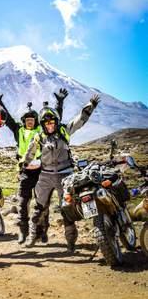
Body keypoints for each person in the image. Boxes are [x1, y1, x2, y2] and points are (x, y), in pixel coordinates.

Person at [0, 88, 68, 244]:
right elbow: (9, 118)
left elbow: (55, 120)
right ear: (24, 121)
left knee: (42, 204)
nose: (30, 121)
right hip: (26, 172)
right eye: (28, 119)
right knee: (23, 202)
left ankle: (42, 231)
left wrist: (60, 102)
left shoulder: (41, 130)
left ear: (36, 121)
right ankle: (23, 233)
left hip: (42, 172)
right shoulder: (18, 130)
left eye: (33, 119)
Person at [24, 94, 100, 252]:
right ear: (42, 124)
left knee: (67, 209)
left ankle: (71, 242)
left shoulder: (64, 130)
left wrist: (90, 105)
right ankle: (32, 236)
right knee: (38, 207)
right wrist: (23, 165)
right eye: (46, 123)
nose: (49, 125)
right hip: (44, 175)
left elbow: (79, 121)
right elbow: (29, 154)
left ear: (56, 121)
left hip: (65, 175)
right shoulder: (39, 137)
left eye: (52, 122)